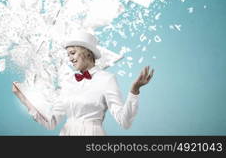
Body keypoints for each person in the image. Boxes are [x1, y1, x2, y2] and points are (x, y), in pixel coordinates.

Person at [12, 31, 154, 135]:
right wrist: (25, 99)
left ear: (87, 53)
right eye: (68, 55)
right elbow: (51, 122)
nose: (70, 58)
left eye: (72, 53)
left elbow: (125, 121)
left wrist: (134, 91)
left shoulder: (106, 79)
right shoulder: (67, 82)